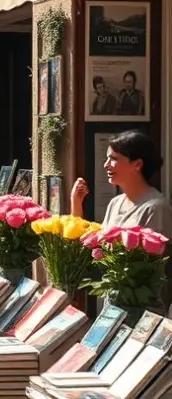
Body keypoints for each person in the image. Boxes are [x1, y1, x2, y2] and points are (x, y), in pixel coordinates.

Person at [71, 130, 172, 307]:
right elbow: (93, 247)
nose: (106, 165)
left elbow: (153, 270)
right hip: (114, 303)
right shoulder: (115, 203)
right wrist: (76, 204)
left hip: (141, 308)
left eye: (113, 159)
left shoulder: (155, 207)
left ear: (137, 164)